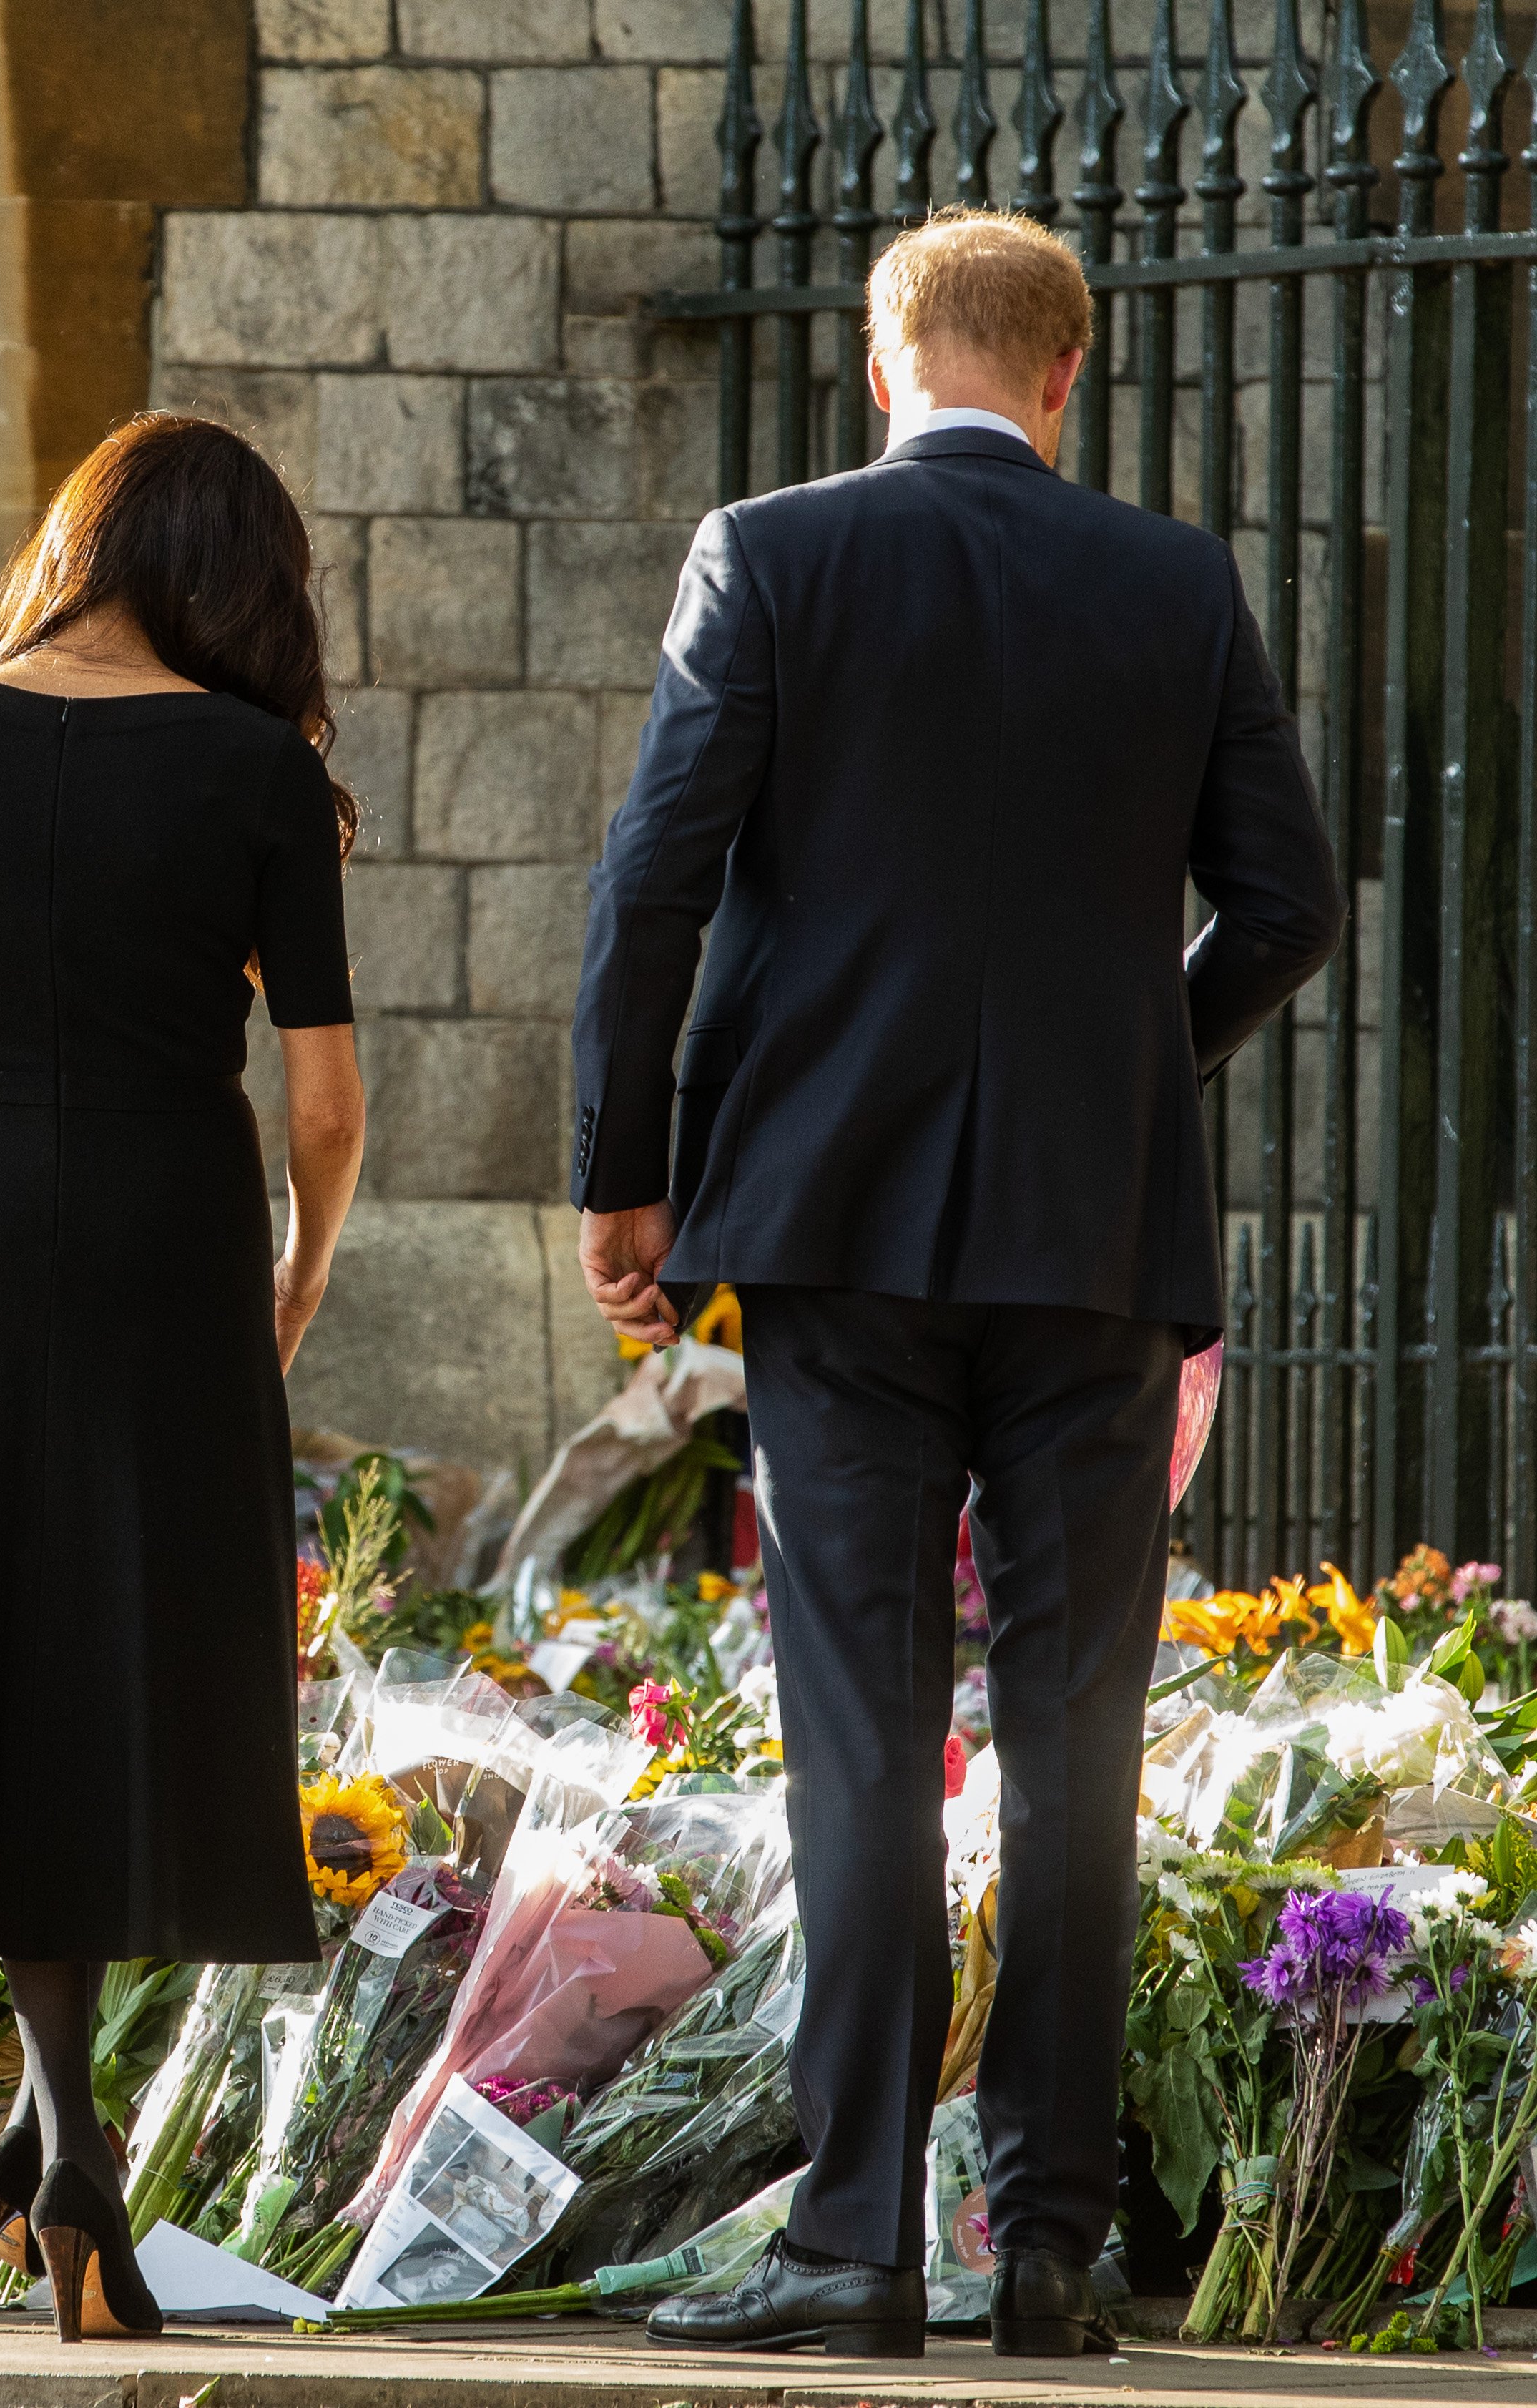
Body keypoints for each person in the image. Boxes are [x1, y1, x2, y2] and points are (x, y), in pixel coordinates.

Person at [574, 210, 1341, 2361]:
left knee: (864, 1729)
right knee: (1077, 1740)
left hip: (834, 1229)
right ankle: (1058, 2243)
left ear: (882, 361)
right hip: (1093, 1248)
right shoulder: (1174, 584)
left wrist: (625, 1173)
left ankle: (854, 2244)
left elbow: (658, 876)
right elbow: (1284, 904)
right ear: (1068, 378)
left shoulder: (776, 556)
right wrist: (1129, 1066)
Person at [0, 411, 368, 2346]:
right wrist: (283, 1279)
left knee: (2, 1658)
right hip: (173, 1220)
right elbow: (330, 1106)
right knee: (138, 1655)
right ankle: (71, 2149)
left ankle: (52, 2128)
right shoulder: (253, 768)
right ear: (234, 577)